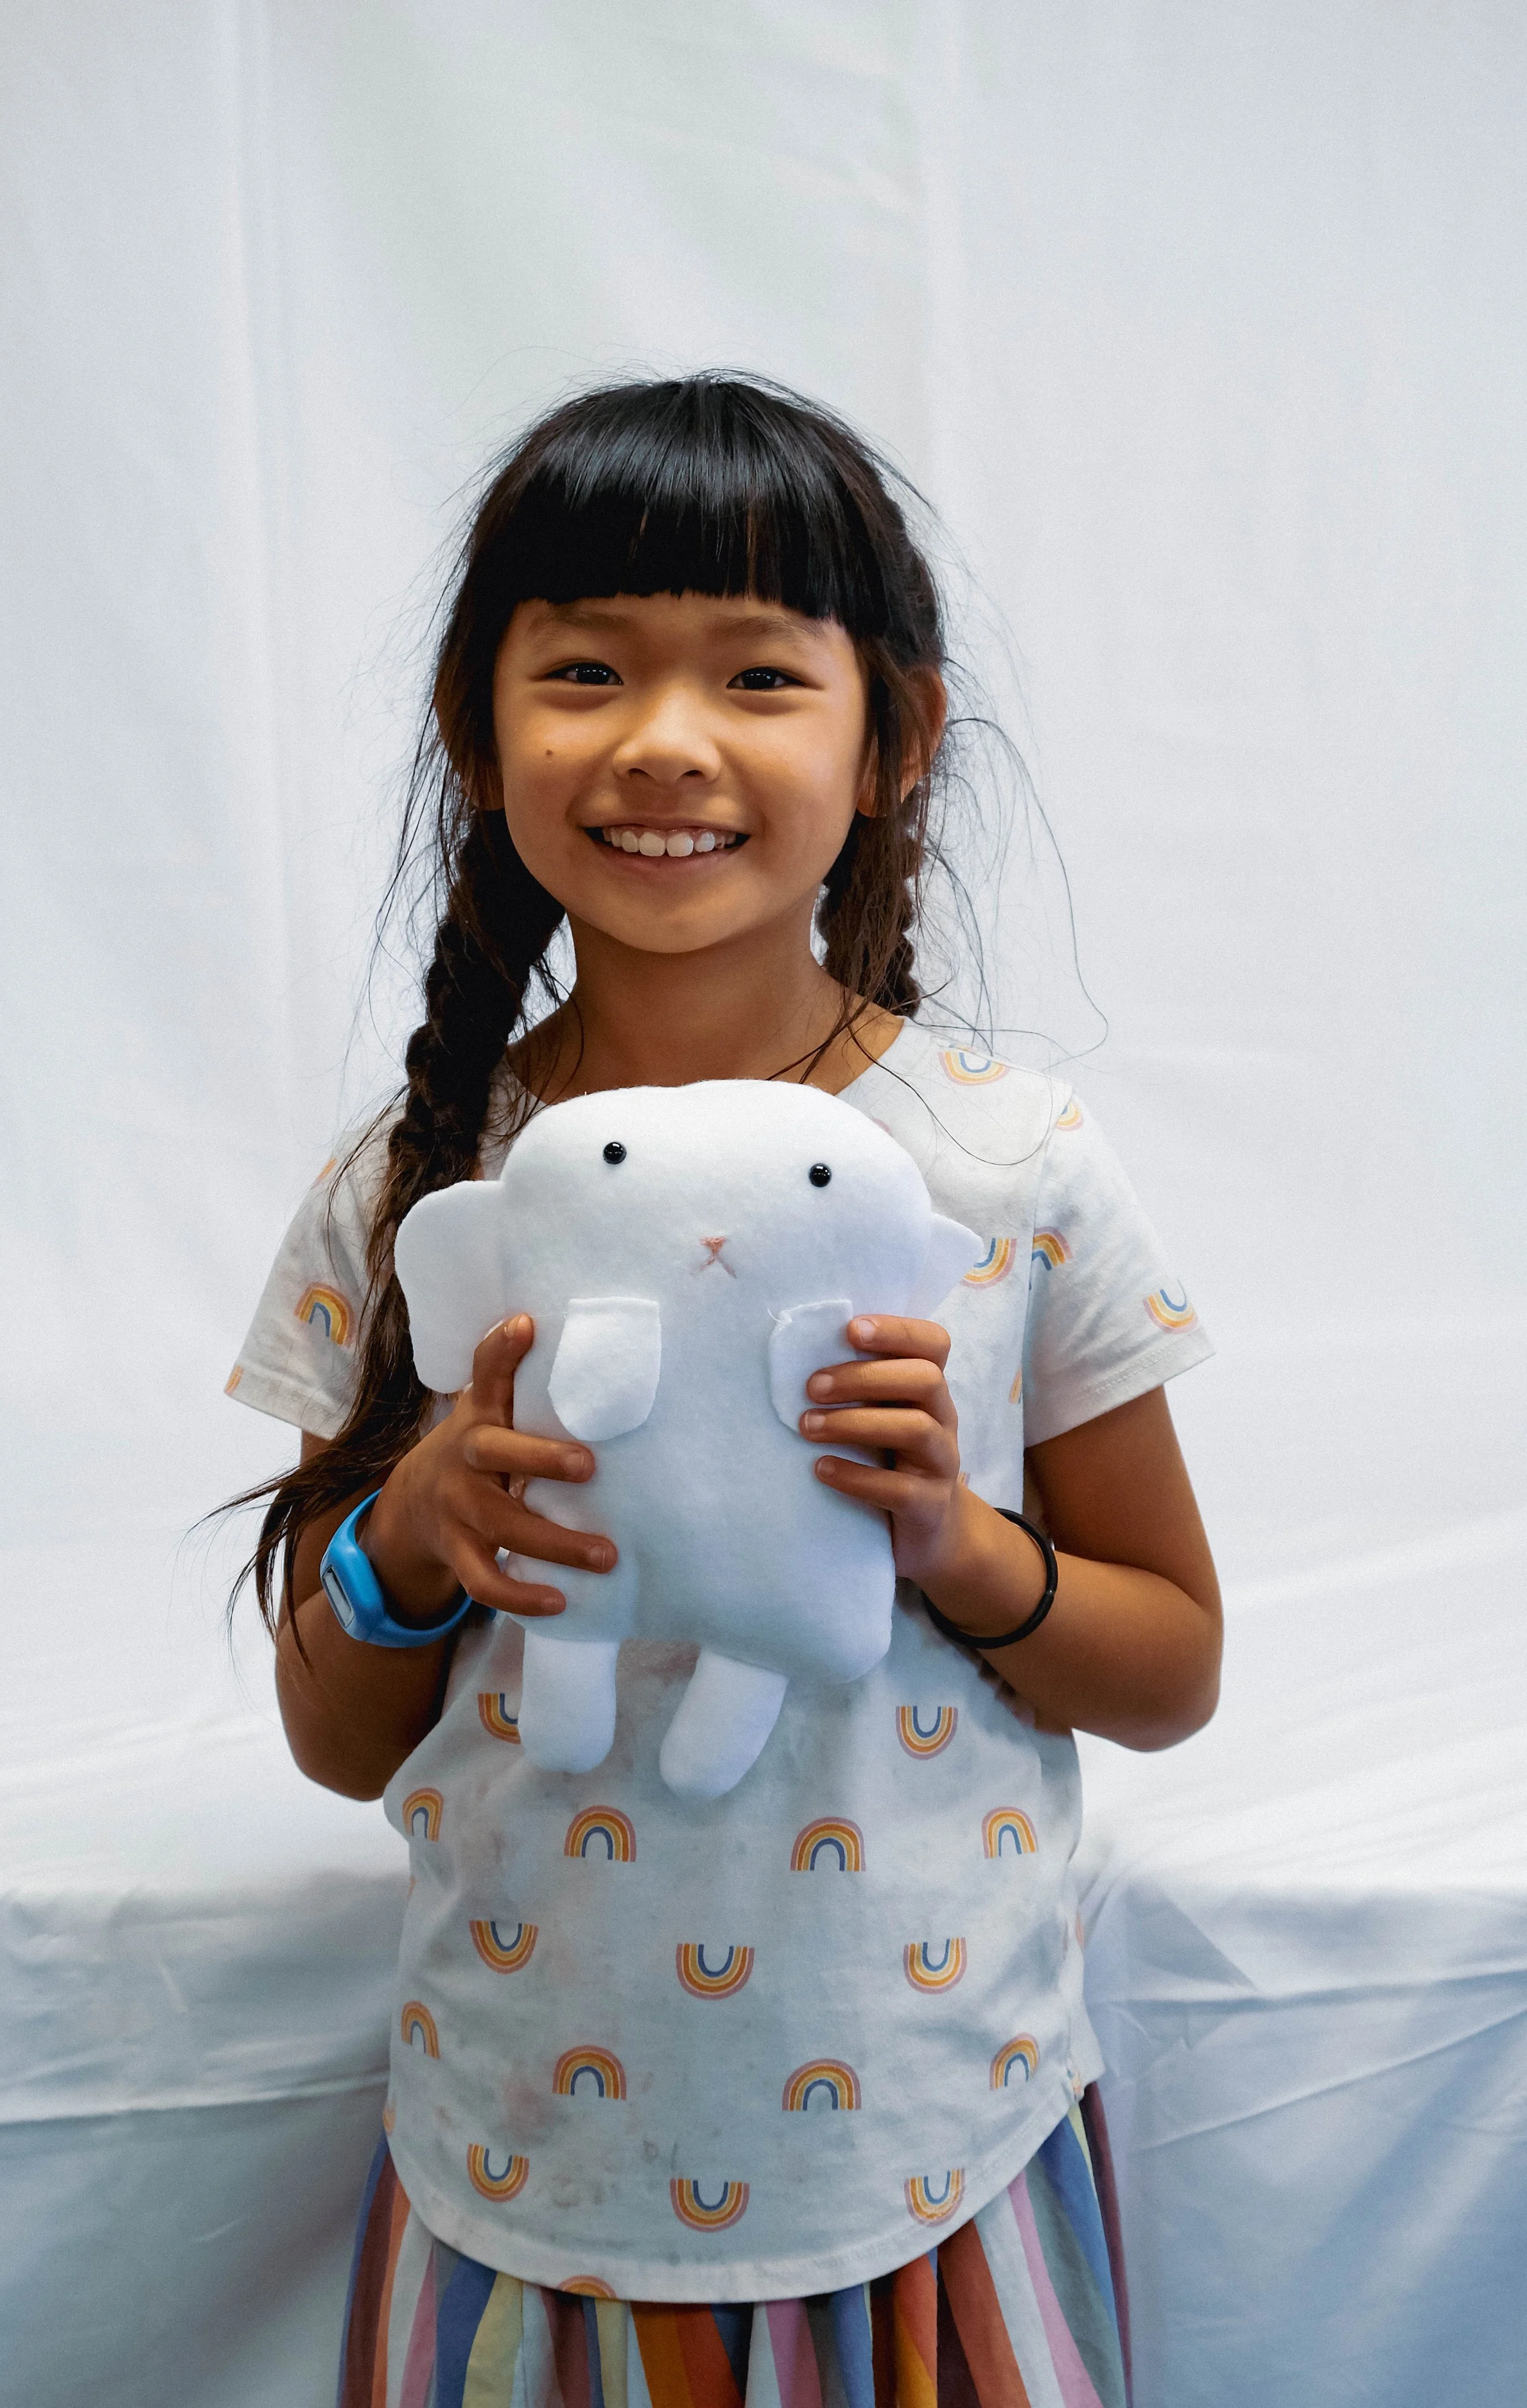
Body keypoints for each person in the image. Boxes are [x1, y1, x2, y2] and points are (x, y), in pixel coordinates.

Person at [225, 375, 1221, 2408]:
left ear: (893, 740)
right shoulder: (418, 1185)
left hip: (921, 2144)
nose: (663, 741)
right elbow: (338, 1742)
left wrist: (952, 1538)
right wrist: (413, 1541)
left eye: (760, 672)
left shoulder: (1001, 1169)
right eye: (581, 669)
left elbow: (1171, 1662)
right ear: (473, 725)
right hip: (528, 2145)